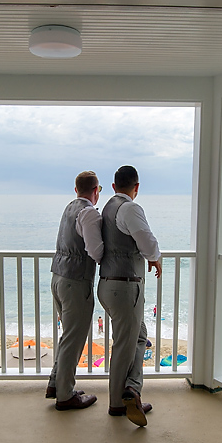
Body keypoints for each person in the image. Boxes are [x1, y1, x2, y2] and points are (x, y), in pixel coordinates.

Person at [97, 165, 162, 427]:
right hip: (125, 287)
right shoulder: (131, 208)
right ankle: (117, 403)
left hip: (107, 284)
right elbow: (148, 243)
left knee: (139, 337)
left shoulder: (107, 208)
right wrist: (156, 258)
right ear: (136, 187)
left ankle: (131, 390)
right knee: (124, 346)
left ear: (114, 187)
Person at [46, 171, 104, 411]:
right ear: (96, 190)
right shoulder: (88, 212)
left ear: (75, 190)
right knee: (74, 338)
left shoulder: (69, 207)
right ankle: (65, 395)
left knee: (67, 336)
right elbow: (96, 251)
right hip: (75, 282)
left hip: (58, 277)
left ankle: (56, 384)